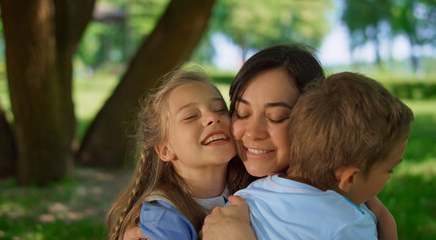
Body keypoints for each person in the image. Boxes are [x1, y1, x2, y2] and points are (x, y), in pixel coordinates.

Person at [122, 45, 398, 239]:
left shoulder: (342, 190)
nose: (252, 132)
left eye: (277, 117)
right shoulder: (242, 190)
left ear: (314, 121)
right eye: (241, 113)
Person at [231, 72, 414, 239]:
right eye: (389, 169)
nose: (389, 176)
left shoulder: (245, 200)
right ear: (350, 177)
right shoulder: (348, 224)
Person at [107, 70, 249, 240]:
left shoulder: (254, 186)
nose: (212, 117)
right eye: (190, 116)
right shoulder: (161, 217)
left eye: (219, 109)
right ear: (165, 150)